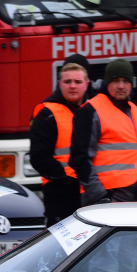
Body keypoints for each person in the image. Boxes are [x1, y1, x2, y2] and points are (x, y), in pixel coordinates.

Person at [70, 58, 137, 205]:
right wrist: (100, 197)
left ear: (132, 83)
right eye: (116, 81)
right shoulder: (90, 111)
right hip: (107, 199)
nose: (121, 86)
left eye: (126, 81)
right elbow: (80, 160)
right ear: (106, 83)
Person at [30, 60, 89, 225]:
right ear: (59, 84)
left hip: (91, 192)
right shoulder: (47, 113)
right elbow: (39, 157)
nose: (72, 86)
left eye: (77, 82)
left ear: (86, 84)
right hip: (60, 194)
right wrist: (65, 180)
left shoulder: (92, 111)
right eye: (67, 81)